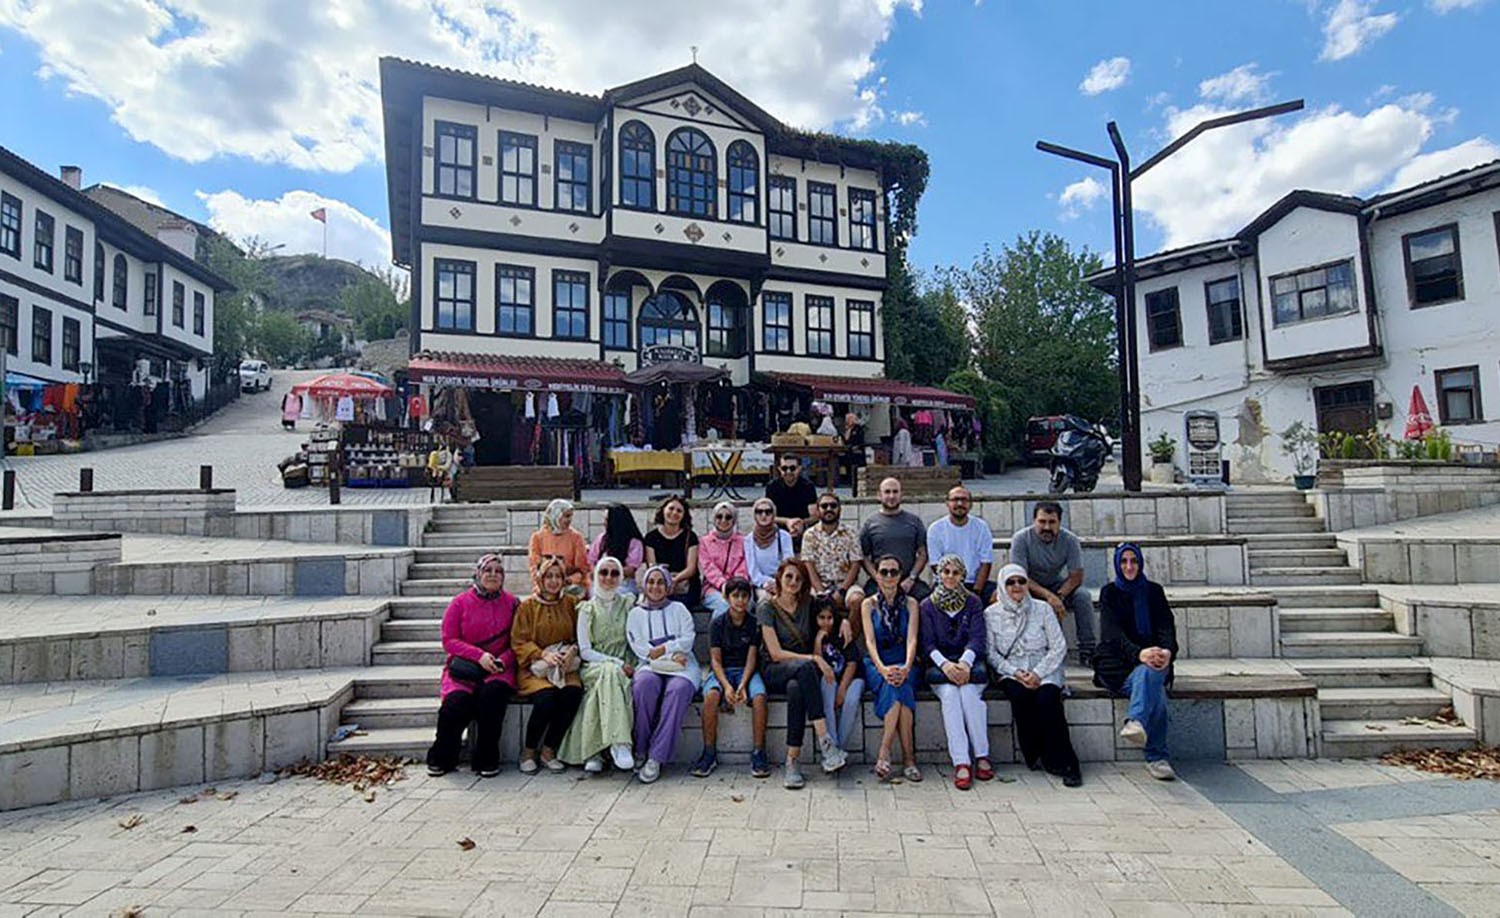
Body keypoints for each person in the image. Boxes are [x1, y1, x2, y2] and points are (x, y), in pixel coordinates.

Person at [987, 563, 1082, 787]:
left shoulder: (1043, 609)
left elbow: (1058, 646)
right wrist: (1016, 672)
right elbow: (990, 653)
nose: (1017, 586)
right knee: (1020, 697)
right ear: (1002, 585)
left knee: (1047, 698)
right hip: (1012, 669)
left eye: (1021, 581)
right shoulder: (990, 614)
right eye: (1010, 582)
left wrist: (1038, 673)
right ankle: (1034, 753)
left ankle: (1066, 763)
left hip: (1044, 667)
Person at [758, 558, 849, 788]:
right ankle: (825, 742)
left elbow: (831, 607)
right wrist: (815, 658)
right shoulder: (767, 607)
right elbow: (776, 653)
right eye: (789, 576)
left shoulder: (807, 603)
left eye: (798, 578)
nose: (793, 582)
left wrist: (845, 619)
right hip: (775, 669)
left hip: (801, 675)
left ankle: (792, 762)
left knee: (797, 689)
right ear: (779, 578)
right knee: (806, 669)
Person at [426, 554, 518, 777]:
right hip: (465, 669)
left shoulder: (513, 603)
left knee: (492, 698)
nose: (493, 575)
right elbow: (449, 640)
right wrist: (479, 656)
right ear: (478, 574)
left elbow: (518, 640)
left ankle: (486, 759)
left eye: (498, 571)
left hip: (498, 669)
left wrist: (500, 661)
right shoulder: (460, 603)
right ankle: (443, 757)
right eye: (488, 570)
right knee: (455, 704)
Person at [1095, 543, 1179, 781]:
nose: (1129, 566)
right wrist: (1139, 654)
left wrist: (1166, 651)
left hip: (1154, 659)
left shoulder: (1154, 591)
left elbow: (1166, 626)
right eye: (1124, 562)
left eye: (1134, 561)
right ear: (1117, 565)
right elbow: (1111, 633)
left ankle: (1136, 721)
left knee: (1150, 674)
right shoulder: (1110, 592)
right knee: (1156, 694)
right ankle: (1157, 757)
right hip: (1119, 665)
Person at [557, 556, 637, 773]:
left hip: (623, 665)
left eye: (614, 573)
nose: (609, 578)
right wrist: (616, 662)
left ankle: (594, 753)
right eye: (604, 572)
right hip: (594, 665)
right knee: (610, 674)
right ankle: (620, 743)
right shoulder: (587, 608)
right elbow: (585, 651)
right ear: (595, 575)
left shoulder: (628, 603)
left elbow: (635, 639)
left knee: (604, 685)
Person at [919, 554, 992, 790]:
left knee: (970, 696)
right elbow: (927, 644)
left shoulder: (973, 602)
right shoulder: (927, 605)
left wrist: (964, 664)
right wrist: (947, 666)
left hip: (969, 666)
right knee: (951, 697)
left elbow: (978, 638)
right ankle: (961, 761)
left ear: (962, 575)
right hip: (942, 668)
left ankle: (981, 754)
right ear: (939, 574)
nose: (950, 577)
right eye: (946, 572)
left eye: (955, 572)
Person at [627, 565, 701, 783]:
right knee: (643, 685)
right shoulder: (635, 614)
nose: (655, 587)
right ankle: (641, 747)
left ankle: (656, 757)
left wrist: (665, 649)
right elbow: (640, 648)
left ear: (668, 586)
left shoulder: (679, 609)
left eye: (661, 582)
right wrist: (669, 652)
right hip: (650, 664)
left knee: (678, 690)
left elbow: (688, 639)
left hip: (683, 665)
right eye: (651, 582)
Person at [691, 577, 770, 778]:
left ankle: (759, 752)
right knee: (710, 696)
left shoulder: (753, 623)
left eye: (744, 596)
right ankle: (709, 752)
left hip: (746, 670)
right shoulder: (717, 624)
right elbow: (715, 661)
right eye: (735, 596)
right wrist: (726, 686)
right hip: (722, 671)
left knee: (760, 697)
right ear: (726, 598)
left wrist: (743, 685)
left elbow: (752, 659)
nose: (740, 601)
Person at [512, 558, 584, 773]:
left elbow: (581, 635)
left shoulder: (571, 603)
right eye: (549, 576)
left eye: (558, 576)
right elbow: (519, 641)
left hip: (563, 666)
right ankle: (528, 750)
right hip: (535, 667)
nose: (553, 581)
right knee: (546, 699)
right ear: (541, 579)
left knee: (572, 693)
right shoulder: (527, 607)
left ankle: (549, 749)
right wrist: (542, 653)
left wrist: (572, 651)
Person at [1010, 501, 1095, 664]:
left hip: (1057, 586)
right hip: (1028, 587)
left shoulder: (1070, 540)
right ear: (1034, 521)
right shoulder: (1021, 539)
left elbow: (1076, 575)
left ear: (1059, 523)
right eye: (1042, 522)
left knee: (1083, 596)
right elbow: (1019, 577)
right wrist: (1049, 597)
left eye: (1052, 522)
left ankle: (1088, 650)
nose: (1047, 527)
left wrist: (1060, 596)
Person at [862, 554, 921, 782]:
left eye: (893, 572)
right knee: (897, 688)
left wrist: (906, 666)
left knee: (899, 686)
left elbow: (912, 639)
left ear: (900, 575)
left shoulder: (911, 604)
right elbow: (869, 642)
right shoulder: (868, 605)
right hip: (877, 663)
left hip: (905, 662)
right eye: (883, 571)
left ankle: (885, 752)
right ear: (876, 575)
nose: (888, 576)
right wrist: (883, 669)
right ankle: (908, 759)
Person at [859, 477, 930, 601]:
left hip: (909, 581)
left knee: (928, 603)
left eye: (895, 492)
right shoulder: (870, 524)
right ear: (879, 495)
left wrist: (911, 578)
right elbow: (864, 557)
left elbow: (923, 554)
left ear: (901, 495)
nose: (891, 496)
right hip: (879, 581)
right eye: (887, 492)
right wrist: (878, 578)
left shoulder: (914, 522)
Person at [927, 486, 996, 604]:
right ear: (947, 503)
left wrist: (976, 593)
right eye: (955, 499)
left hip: (975, 583)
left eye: (964, 500)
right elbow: (935, 565)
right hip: (946, 582)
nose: (959, 503)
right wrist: (953, 585)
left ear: (971, 504)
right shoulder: (935, 529)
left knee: (1001, 594)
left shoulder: (981, 527)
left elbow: (986, 563)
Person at [802, 492, 866, 614]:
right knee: (805, 601)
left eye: (833, 505)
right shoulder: (809, 535)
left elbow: (856, 564)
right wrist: (821, 592)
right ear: (817, 510)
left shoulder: (851, 533)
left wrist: (842, 591)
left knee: (857, 600)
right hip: (819, 585)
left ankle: (850, 633)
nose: (829, 509)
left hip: (846, 585)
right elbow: (808, 566)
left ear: (839, 509)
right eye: (824, 506)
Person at [815, 598, 865, 751]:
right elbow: (816, 661)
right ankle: (832, 747)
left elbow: (852, 663)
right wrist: (818, 640)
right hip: (830, 678)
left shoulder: (842, 632)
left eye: (829, 618)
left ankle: (838, 747)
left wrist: (842, 690)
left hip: (853, 678)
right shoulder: (815, 634)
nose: (826, 622)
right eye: (821, 618)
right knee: (827, 697)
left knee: (851, 701)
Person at [643, 495, 700, 609]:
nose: (674, 513)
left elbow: (691, 568)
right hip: (660, 583)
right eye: (671, 508)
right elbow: (652, 566)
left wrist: (675, 580)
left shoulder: (691, 537)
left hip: (685, 586)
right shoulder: (651, 537)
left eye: (679, 511)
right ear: (663, 510)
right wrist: (666, 581)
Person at [529, 498, 590, 596]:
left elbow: (582, 570)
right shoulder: (537, 538)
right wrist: (547, 582)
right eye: (566, 516)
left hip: (570, 587)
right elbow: (534, 567)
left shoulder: (577, 538)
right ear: (555, 515)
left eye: (570, 516)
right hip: (545, 586)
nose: (569, 520)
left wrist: (567, 580)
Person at [698, 501, 749, 618]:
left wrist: (735, 585)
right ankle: (718, 636)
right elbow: (708, 568)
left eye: (728, 517)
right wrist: (723, 585)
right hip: (713, 589)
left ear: (734, 520)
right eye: (719, 516)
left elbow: (744, 565)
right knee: (724, 606)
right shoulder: (704, 542)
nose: (723, 520)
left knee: (746, 603)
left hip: (738, 586)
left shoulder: (743, 541)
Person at [588, 504, 645, 596]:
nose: (604, 523)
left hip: (623, 583)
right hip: (601, 581)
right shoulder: (601, 539)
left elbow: (630, 570)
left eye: (607, 520)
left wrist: (612, 572)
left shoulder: (634, 543)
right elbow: (592, 561)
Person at [746, 497, 793, 601]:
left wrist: (779, 583)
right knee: (766, 600)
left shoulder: (784, 536)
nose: (764, 515)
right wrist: (768, 583)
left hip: (783, 582)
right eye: (759, 512)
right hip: (761, 585)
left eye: (768, 512)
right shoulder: (749, 540)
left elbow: (789, 564)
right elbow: (753, 572)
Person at [765, 456, 818, 540]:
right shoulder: (772, 487)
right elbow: (769, 515)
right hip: (779, 528)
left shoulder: (808, 486)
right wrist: (787, 522)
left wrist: (801, 523)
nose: (788, 471)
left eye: (792, 468)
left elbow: (815, 516)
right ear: (779, 469)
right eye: (784, 468)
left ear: (799, 469)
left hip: (803, 528)